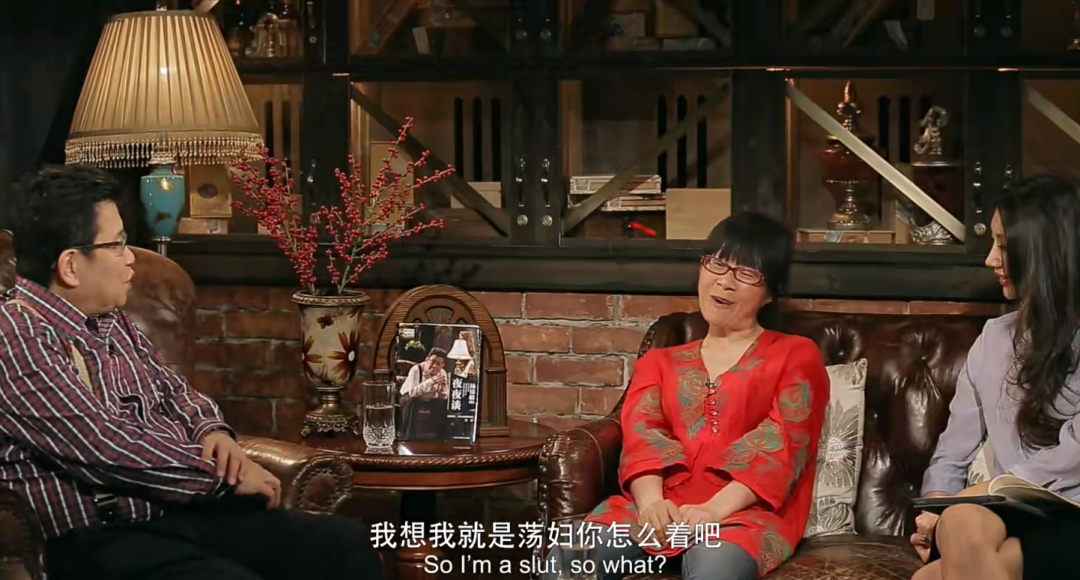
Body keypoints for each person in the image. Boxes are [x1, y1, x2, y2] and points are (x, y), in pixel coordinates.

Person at [0, 165, 385, 580]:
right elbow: (103, 446)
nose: (130, 257)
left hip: (175, 514)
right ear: (71, 265)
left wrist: (211, 430)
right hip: (99, 534)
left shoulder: (110, 320)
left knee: (339, 545)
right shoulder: (16, 334)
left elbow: (174, 391)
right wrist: (222, 479)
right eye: (117, 245)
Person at [549, 212, 830, 580]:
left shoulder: (796, 354)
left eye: (746, 273)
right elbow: (642, 435)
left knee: (715, 569)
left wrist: (713, 511)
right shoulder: (659, 361)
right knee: (568, 557)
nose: (725, 282)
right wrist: (651, 504)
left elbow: (783, 448)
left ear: (771, 293)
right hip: (655, 507)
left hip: (744, 514)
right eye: (717, 264)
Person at [912, 175, 1080, 580]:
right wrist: (936, 507)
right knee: (958, 520)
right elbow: (953, 452)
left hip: (1073, 510)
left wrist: (989, 489)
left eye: (1003, 245)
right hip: (1011, 511)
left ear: (1045, 250)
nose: (990, 259)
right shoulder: (993, 340)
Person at [398, 347, 450, 440]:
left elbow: (445, 393)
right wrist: (431, 381)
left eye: (439, 364)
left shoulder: (442, 373)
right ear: (427, 359)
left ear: (443, 365)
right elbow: (412, 393)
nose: (435, 366)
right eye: (432, 361)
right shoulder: (416, 369)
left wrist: (442, 394)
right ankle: (407, 437)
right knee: (412, 402)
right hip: (408, 397)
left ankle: (441, 439)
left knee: (443, 404)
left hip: (428, 399)